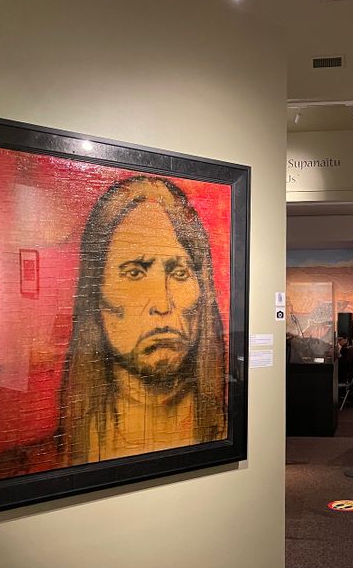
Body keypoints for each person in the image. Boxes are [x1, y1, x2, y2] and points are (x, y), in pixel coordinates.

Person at [57, 175, 227, 464]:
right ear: (96, 293)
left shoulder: (232, 431)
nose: (162, 304)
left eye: (180, 273)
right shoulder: (36, 462)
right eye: (135, 273)